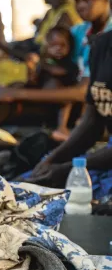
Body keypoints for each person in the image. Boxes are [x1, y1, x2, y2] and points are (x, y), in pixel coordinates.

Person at [0, 0, 111, 105]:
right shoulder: (79, 30)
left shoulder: (107, 36)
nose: (80, 5)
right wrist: (42, 59)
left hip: (92, 105)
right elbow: (55, 53)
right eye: (77, 0)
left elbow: (83, 92)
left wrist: (17, 94)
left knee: (8, 101)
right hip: (72, 96)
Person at [27, 29, 112, 189]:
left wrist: (69, 169)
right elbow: (92, 123)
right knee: (26, 181)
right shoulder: (101, 46)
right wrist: (51, 160)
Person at [0, 26, 79, 135]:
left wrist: (40, 64)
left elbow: (58, 76)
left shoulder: (66, 67)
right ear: (47, 45)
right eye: (53, 45)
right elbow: (33, 83)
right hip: (31, 102)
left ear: (69, 47)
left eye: (62, 45)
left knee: (0, 107)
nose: (58, 49)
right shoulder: (45, 63)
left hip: (43, 110)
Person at [6, 0, 82, 59]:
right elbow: (41, 28)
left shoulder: (66, 14)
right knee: (9, 47)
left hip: (45, 51)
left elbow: (56, 41)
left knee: (12, 51)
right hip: (38, 45)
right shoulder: (52, 10)